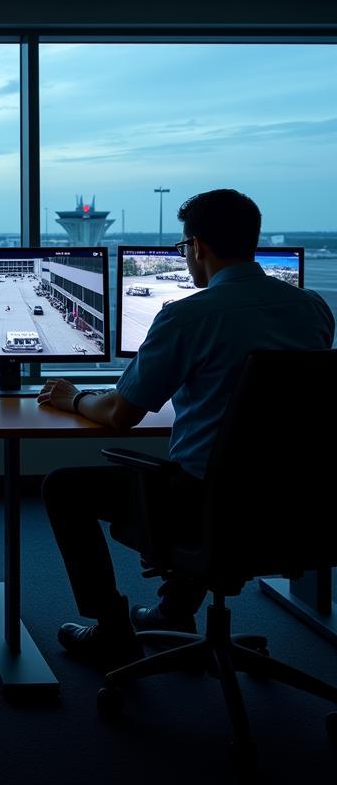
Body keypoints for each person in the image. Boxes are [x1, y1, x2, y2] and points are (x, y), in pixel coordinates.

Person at [38, 188, 334, 667]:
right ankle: (174, 611)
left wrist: (74, 397)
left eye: (183, 248)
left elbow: (120, 414)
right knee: (214, 469)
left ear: (196, 246)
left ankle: (112, 628)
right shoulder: (314, 308)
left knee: (64, 488)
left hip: (204, 502)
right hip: (297, 500)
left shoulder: (187, 315)